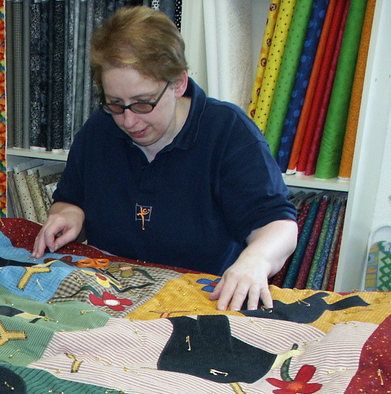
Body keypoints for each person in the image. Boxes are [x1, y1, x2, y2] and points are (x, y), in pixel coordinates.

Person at [30, 6, 298, 312]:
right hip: (112, 299)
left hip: (201, 303)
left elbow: (279, 225)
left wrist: (256, 260)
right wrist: (69, 214)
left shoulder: (228, 132)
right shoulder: (99, 131)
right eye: (115, 103)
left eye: (143, 103)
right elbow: (69, 200)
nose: (129, 121)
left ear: (178, 83)